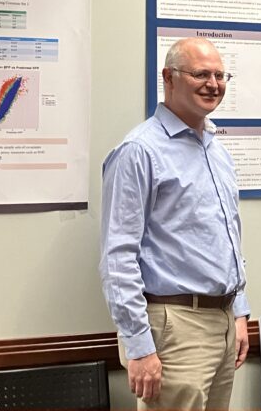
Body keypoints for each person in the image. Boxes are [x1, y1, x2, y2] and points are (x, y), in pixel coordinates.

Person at [99, 37, 250, 411]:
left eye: (219, 74)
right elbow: (118, 258)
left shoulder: (216, 149)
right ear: (169, 77)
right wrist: (138, 346)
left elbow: (227, 236)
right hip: (173, 327)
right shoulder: (139, 152)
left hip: (223, 321)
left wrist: (240, 311)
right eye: (201, 74)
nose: (213, 84)